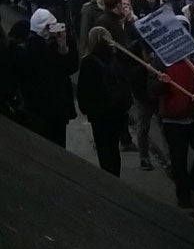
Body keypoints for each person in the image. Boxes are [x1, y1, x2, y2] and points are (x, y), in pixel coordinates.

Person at [157, 53, 194, 209]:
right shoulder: (160, 58)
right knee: (179, 159)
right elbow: (151, 87)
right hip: (173, 117)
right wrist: (162, 84)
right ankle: (184, 195)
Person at [15, 9, 78, 147]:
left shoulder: (63, 40)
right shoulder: (30, 46)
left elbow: (72, 66)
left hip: (59, 104)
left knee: (59, 142)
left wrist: (64, 49)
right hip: (39, 107)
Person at [77, 26, 133, 176]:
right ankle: (116, 175)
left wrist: (85, 108)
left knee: (104, 149)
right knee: (114, 148)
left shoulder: (89, 61)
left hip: (100, 114)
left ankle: (109, 178)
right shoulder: (115, 58)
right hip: (117, 112)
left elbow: (83, 89)